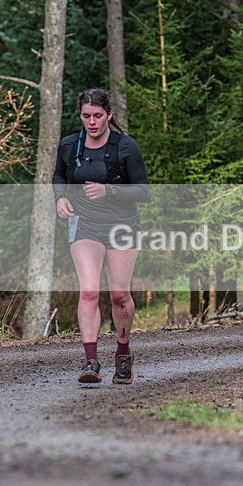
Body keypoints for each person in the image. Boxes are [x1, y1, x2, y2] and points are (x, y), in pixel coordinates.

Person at [53, 88, 149, 384]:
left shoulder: (126, 147)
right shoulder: (70, 145)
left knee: (119, 294)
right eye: (86, 116)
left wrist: (109, 190)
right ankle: (91, 361)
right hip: (85, 225)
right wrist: (60, 198)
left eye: (97, 116)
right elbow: (59, 175)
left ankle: (123, 352)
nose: (91, 122)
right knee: (89, 291)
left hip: (122, 226)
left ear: (109, 115)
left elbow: (143, 192)